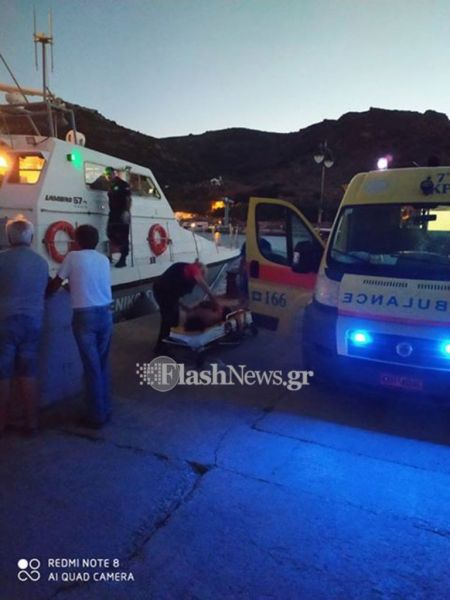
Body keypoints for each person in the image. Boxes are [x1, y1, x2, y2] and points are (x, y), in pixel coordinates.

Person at [48, 225, 113, 429]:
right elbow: (90, 283)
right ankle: (104, 408)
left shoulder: (72, 257)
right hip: (106, 314)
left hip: (85, 317)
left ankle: (96, 417)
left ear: (76, 241)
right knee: (101, 365)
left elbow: (54, 285)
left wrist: (49, 288)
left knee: (91, 367)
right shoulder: (103, 259)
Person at [0, 216, 49, 435]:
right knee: (28, 373)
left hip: (5, 322)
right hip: (33, 322)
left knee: (3, 374)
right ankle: (31, 423)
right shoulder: (41, 262)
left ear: (9, 237)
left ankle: (1, 424)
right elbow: (47, 289)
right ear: (31, 237)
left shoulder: (2, 260)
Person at [152, 261, 217, 355]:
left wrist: (184, 306)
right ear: (201, 270)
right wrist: (213, 299)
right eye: (202, 275)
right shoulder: (193, 268)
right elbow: (203, 284)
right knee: (169, 320)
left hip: (165, 292)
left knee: (171, 318)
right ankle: (161, 348)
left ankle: (166, 343)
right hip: (163, 292)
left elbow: (175, 295)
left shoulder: (186, 273)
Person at [104, 166, 132, 268]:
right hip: (113, 212)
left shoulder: (122, 184)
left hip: (122, 212)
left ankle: (123, 258)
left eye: (109, 174)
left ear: (114, 173)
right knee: (110, 233)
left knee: (123, 235)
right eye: (106, 174)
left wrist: (126, 211)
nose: (108, 176)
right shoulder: (111, 185)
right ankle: (113, 254)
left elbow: (128, 198)